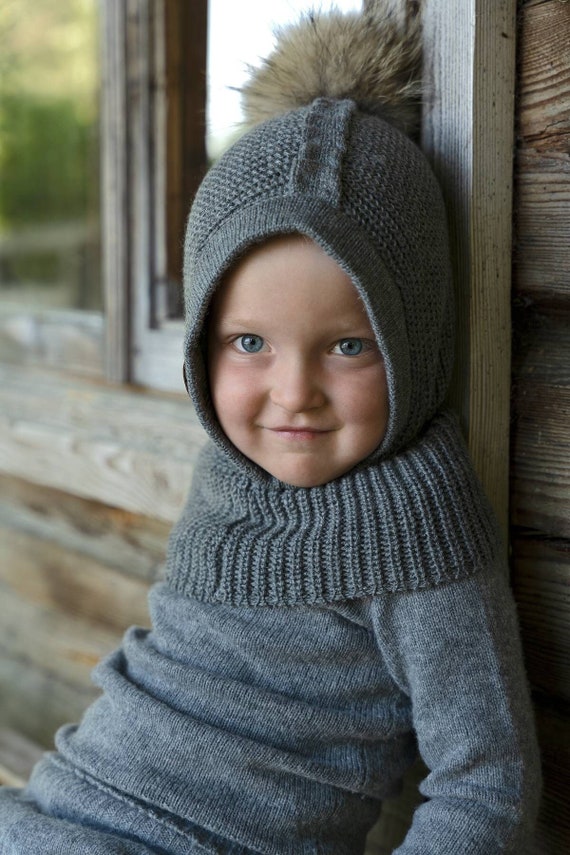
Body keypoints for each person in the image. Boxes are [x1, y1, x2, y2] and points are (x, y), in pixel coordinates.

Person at [0, 2, 541, 852]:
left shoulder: (418, 526)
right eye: (249, 342)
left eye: (349, 345)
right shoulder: (229, 467)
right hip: (63, 803)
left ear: (418, 342)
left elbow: (487, 784)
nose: (294, 393)